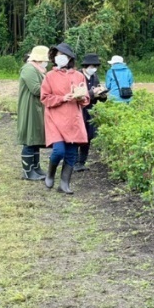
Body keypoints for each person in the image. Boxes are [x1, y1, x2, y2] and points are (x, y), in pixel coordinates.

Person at [40, 43, 89, 195]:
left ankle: (64, 184)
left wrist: (80, 97)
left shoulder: (78, 76)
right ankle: (50, 173)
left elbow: (86, 99)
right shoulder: (50, 76)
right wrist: (62, 98)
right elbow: (45, 98)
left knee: (71, 153)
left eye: (64, 55)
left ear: (70, 58)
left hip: (73, 119)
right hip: (55, 118)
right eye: (57, 55)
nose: (60, 58)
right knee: (59, 151)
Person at [17, 45, 49, 180]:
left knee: (35, 138)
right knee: (30, 139)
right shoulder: (29, 69)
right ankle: (28, 171)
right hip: (30, 107)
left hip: (38, 107)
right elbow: (36, 89)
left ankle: (36, 168)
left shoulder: (39, 69)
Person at [75, 53, 108, 171]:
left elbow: (98, 97)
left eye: (95, 66)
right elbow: (77, 96)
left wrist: (102, 95)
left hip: (90, 110)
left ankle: (81, 162)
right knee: (77, 136)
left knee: (88, 136)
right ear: (85, 66)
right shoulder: (77, 76)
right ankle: (73, 162)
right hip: (78, 110)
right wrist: (92, 93)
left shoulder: (95, 77)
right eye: (92, 66)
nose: (93, 68)